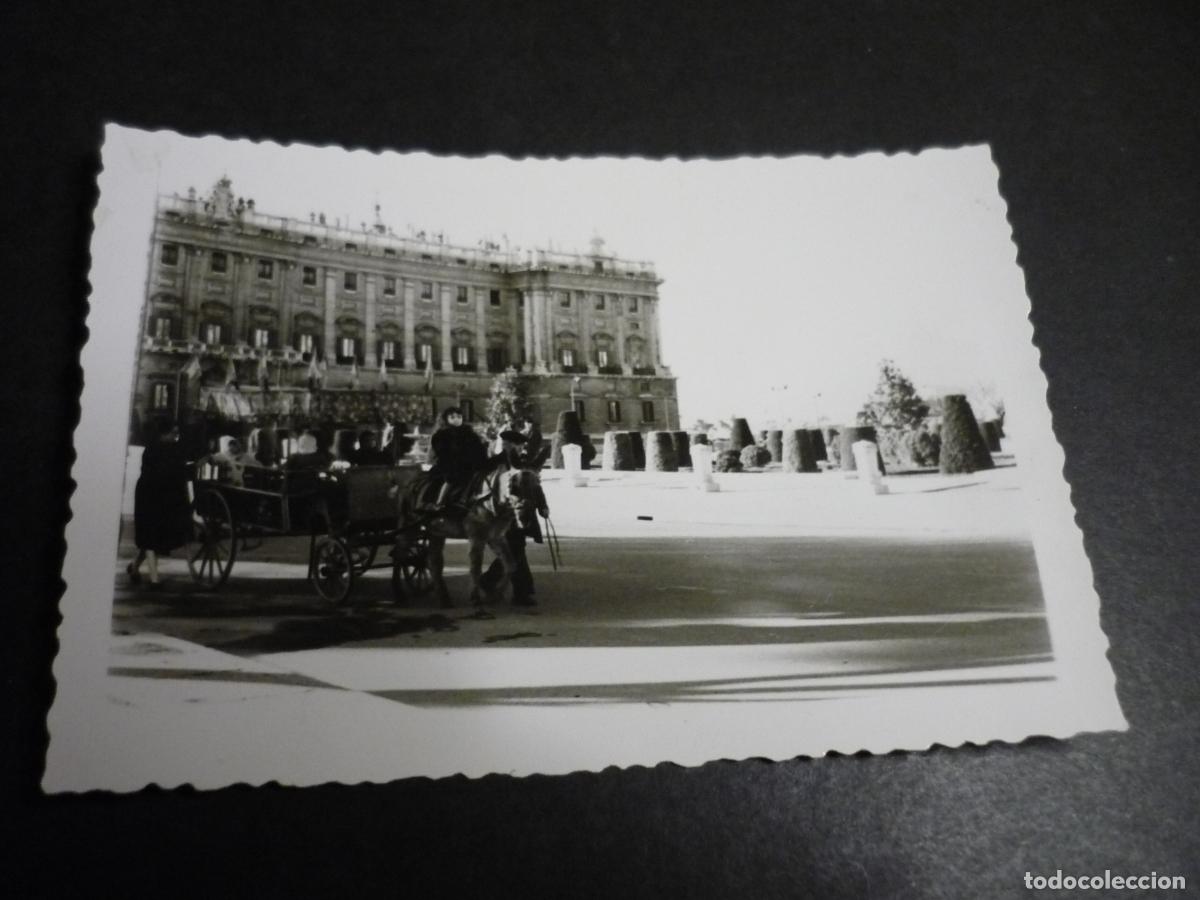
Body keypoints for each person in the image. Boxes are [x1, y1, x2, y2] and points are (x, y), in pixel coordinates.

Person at [480, 428, 550, 605]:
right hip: (503, 514)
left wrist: (542, 506)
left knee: (517, 550)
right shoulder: (495, 463)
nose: (520, 449)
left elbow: (535, 487)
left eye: (520, 445)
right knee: (516, 551)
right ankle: (515, 590)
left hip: (522, 513)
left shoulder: (524, 464)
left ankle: (516, 589)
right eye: (517, 445)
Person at [128, 418, 192, 588]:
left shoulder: (153, 449)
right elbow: (176, 473)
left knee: (151, 537)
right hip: (152, 495)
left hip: (151, 494)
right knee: (151, 537)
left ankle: (135, 568)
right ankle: (154, 579)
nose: (176, 436)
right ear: (166, 433)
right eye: (174, 433)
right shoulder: (163, 451)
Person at [427, 406, 487, 509]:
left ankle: (469, 499)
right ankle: (440, 502)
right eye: (452, 417)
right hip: (448, 465)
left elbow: (478, 448)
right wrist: (458, 457)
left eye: (459, 417)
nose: (456, 419)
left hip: (468, 464)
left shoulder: (470, 433)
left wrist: (482, 452)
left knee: (478, 475)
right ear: (446, 419)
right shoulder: (441, 434)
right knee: (451, 478)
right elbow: (442, 453)